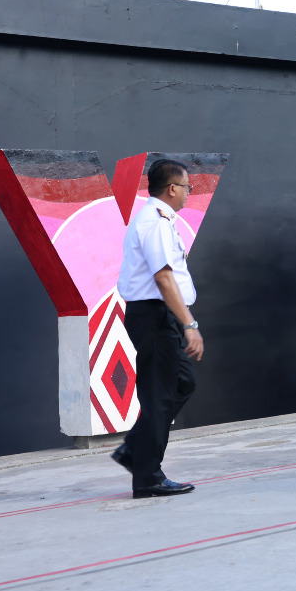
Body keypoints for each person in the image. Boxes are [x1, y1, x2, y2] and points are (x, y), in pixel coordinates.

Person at [113, 158, 204, 498]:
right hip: (153, 316)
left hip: (160, 316)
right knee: (159, 395)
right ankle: (147, 475)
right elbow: (164, 278)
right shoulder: (155, 222)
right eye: (186, 188)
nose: (187, 194)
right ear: (172, 189)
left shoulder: (161, 220)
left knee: (182, 382)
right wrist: (190, 324)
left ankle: (135, 451)